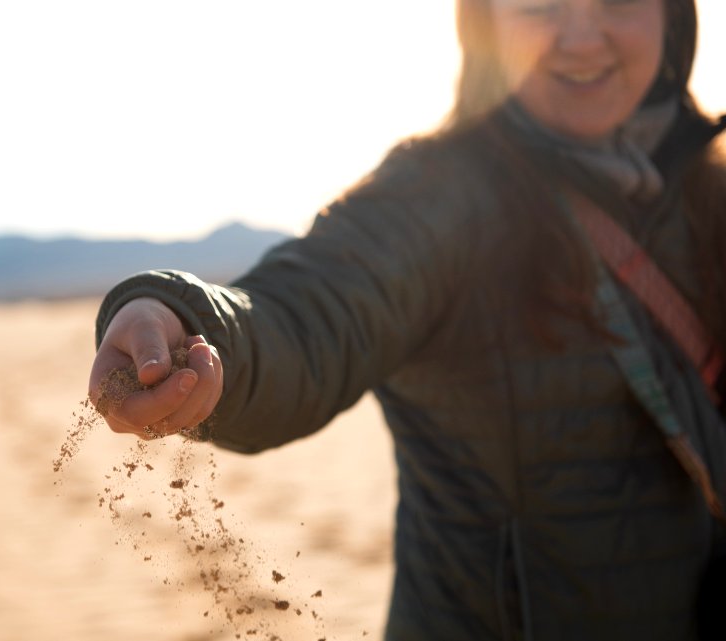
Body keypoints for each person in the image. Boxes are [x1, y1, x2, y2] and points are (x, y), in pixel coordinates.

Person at [89, 0, 726, 638]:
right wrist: (191, 324)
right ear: (486, 27)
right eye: (543, 5)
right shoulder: (436, 196)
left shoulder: (713, 185)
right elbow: (310, 313)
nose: (581, 36)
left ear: (672, 16)